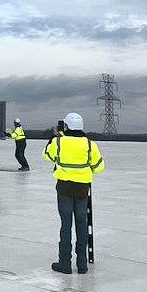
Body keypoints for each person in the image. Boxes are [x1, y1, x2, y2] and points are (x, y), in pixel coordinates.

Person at [44, 113, 103, 273]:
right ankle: (82, 264)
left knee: (66, 225)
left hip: (64, 188)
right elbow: (98, 167)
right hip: (82, 189)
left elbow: (47, 155)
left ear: (66, 126)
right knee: (81, 224)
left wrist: (54, 136)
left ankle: (65, 263)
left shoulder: (59, 142)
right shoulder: (90, 144)